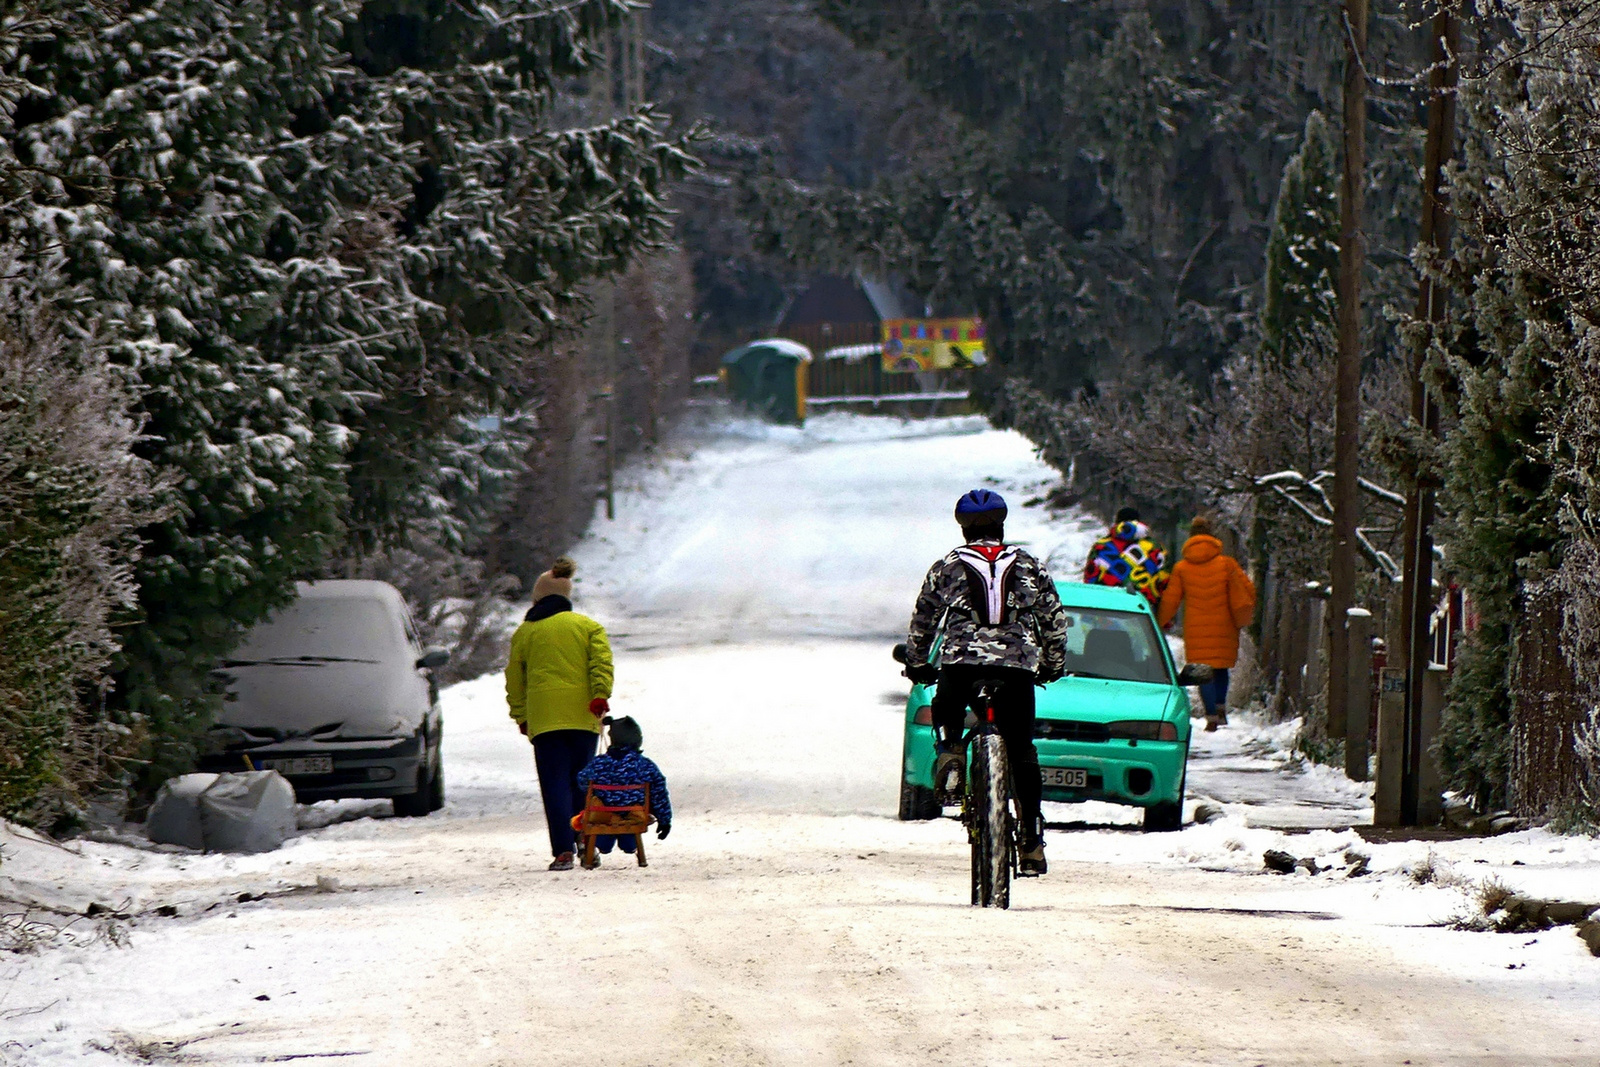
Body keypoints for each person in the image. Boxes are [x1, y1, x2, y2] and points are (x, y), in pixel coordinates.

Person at [905, 488, 1068, 876]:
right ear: (1002, 524)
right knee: (1022, 748)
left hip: (961, 664)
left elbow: (924, 619)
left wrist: (916, 662)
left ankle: (950, 754)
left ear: (962, 529)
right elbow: (1054, 621)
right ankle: (1030, 839)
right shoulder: (1029, 564)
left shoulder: (947, 566)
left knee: (947, 708)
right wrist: (1053, 663)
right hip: (1016, 668)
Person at [505, 557, 614, 871]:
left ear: (539, 597)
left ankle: (563, 852)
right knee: (583, 784)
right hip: (583, 717)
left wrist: (521, 715)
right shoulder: (588, 627)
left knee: (554, 784)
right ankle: (586, 842)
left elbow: (515, 679)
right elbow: (601, 665)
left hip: (544, 720)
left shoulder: (525, 633)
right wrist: (599, 695)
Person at [1157, 516, 1257, 732]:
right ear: (1212, 536)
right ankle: (1221, 708)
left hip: (1196, 628)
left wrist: (1157, 623)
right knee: (1220, 669)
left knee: (1203, 673)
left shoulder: (1182, 568)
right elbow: (1247, 589)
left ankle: (1211, 715)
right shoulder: (1227, 564)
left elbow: (1170, 600)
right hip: (1224, 625)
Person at [574, 715, 672, 868]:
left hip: (603, 815)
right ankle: (630, 845)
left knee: (602, 825)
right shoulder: (644, 764)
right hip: (633, 814)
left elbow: (582, 781)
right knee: (629, 828)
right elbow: (659, 791)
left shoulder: (599, 763)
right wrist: (664, 820)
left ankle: (600, 845)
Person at [1083, 506, 1169, 607]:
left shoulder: (1101, 546)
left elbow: (1090, 577)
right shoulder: (1155, 548)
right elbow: (1164, 581)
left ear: (1117, 522)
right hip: (1142, 609)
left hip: (1106, 606)